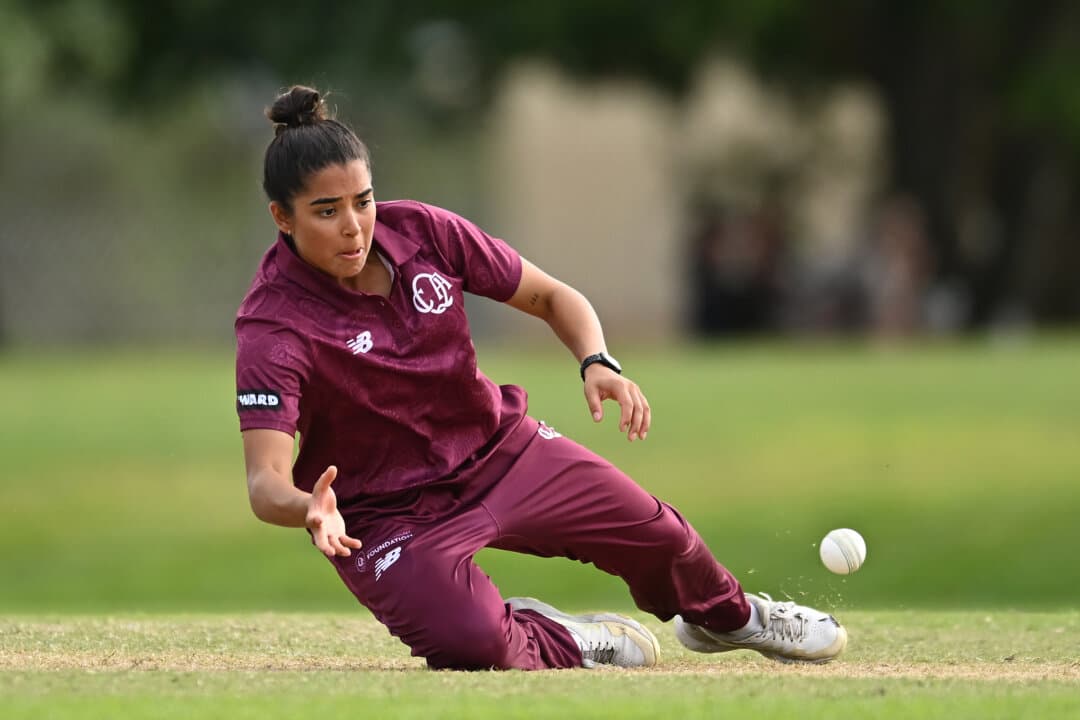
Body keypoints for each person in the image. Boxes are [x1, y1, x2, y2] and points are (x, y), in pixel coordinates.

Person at [235, 85, 848, 671]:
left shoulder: (423, 232)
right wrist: (310, 509)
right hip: (387, 515)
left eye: (362, 201)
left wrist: (597, 360)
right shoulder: (274, 325)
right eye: (326, 211)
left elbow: (552, 297)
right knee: (471, 642)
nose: (353, 226)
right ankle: (568, 638)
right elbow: (266, 481)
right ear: (281, 218)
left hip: (498, 451)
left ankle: (731, 618)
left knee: (660, 537)